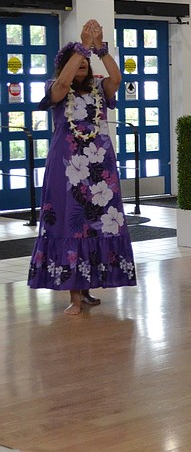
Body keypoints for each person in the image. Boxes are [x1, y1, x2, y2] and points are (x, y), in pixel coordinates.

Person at [27, 20, 136, 315]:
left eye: (85, 63)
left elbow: (117, 77)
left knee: (96, 223)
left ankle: (87, 288)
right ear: (67, 64)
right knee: (70, 222)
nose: (82, 66)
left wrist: (100, 50)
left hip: (100, 165)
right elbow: (62, 85)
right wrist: (81, 47)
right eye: (77, 62)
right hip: (67, 164)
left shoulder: (100, 88)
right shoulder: (55, 87)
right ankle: (74, 296)